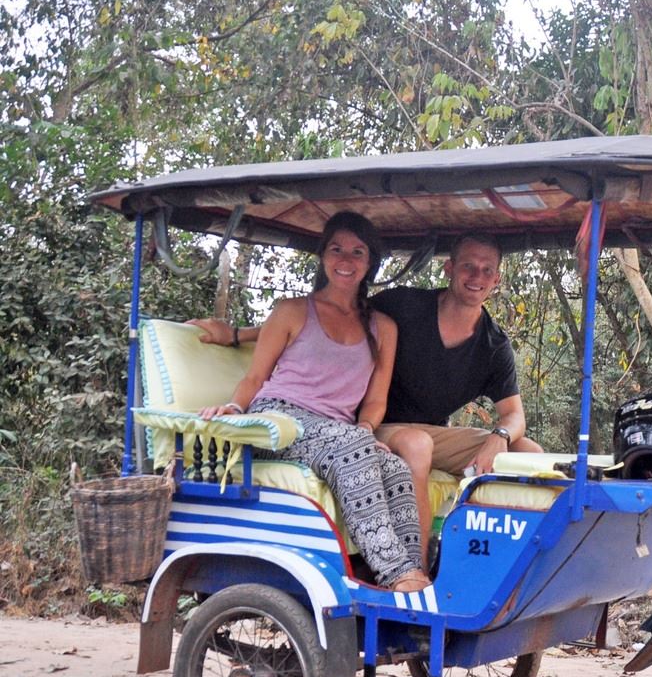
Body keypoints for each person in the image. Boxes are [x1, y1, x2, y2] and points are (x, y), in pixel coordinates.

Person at [193, 231, 541, 562]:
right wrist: (239, 334)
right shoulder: (405, 305)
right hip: (376, 425)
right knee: (418, 444)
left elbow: (514, 416)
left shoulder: (494, 345)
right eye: (468, 265)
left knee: (529, 452)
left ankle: (494, 565)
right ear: (449, 268)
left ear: (496, 280)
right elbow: (337, 318)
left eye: (486, 270)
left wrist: (499, 436)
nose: (476, 276)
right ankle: (417, 570)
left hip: (434, 432)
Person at [199, 212, 429, 592]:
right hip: (278, 422)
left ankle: (409, 573)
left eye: (358, 252)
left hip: (336, 431)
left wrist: (367, 430)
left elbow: (374, 401)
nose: (346, 260)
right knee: (354, 446)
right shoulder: (291, 310)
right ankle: (396, 573)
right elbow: (256, 377)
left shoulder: (382, 328)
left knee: (394, 465)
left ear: (369, 262)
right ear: (323, 256)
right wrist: (235, 410)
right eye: (337, 249)